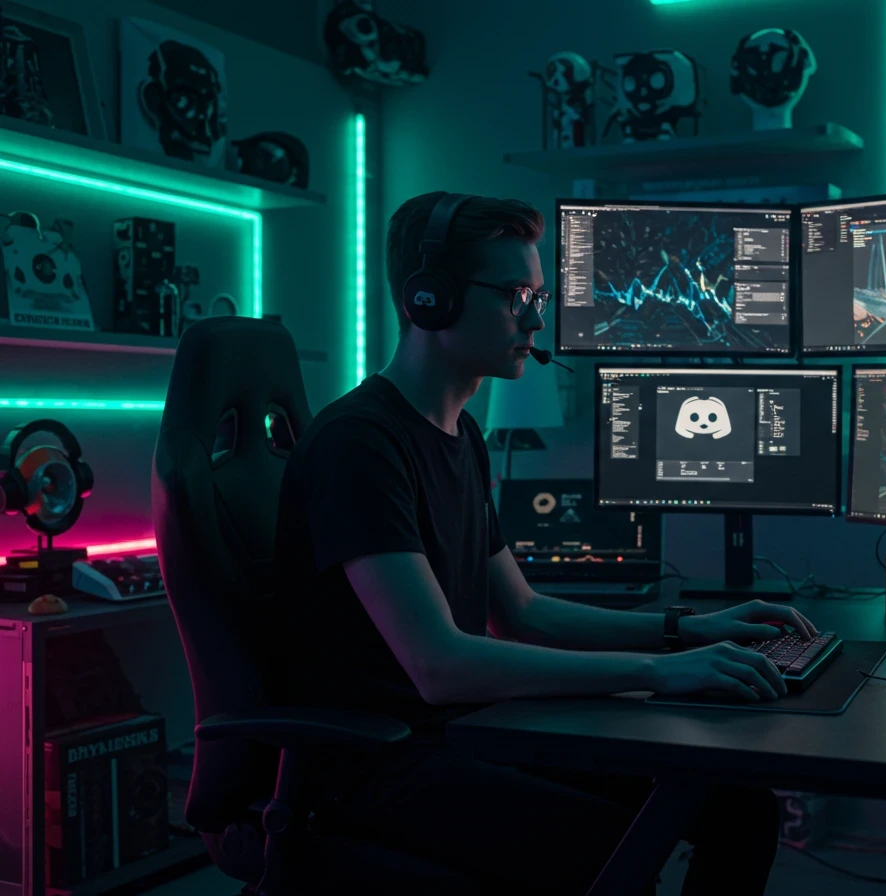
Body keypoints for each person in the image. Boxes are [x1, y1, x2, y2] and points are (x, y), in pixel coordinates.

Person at [275, 191, 819, 894]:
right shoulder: (360, 445)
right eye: (513, 296)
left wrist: (686, 631)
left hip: (463, 731)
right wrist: (657, 674)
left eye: (538, 295)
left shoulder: (461, 436)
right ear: (428, 300)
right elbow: (438, 665)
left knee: (735, 803)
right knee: (620, 846)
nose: (536, 318)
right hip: (379, 763)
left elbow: (523, 612)